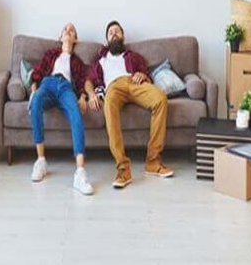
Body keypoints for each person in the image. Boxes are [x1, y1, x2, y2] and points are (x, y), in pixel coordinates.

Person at [85, 20, 173, 189]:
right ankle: (123, 169)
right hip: (113, 87)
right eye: (111, 32)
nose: (114, 34)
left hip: (135, 83)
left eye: (117, 31)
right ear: (107, 40)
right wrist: (90, 95)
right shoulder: (100, 60)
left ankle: (153, 162)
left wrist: (142, 75)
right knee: (109, 105)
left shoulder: (133, 56)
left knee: (160, 98)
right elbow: (88, 81)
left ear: (123, 37)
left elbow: (146, 74)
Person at [28, 23, 93, 195]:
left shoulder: (77, 62)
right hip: (48, 83)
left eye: (72, 30)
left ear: (75, 39)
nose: (68, 31)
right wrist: (34, 86)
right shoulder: (50, 54)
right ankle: (41, 160)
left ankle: (80, 172)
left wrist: (82, 96)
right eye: (65, 29)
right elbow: (38, 71)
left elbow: (81, 82)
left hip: (66, 88)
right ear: (61, 37)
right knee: (35, 102)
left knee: (76, 114)